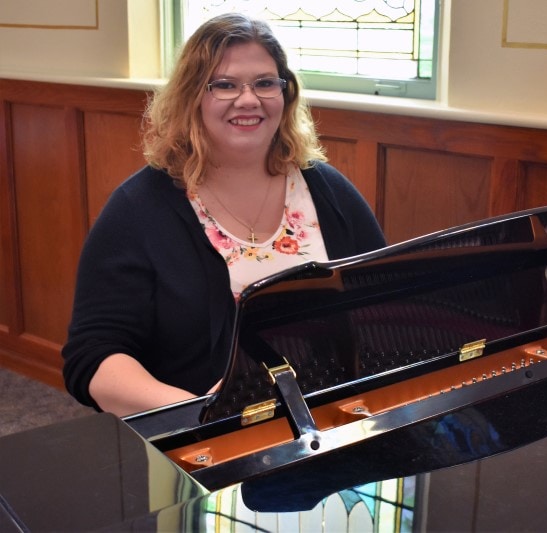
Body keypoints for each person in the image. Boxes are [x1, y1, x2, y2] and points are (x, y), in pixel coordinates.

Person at [62, 13, 386, 417]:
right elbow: (93, 355)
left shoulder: (326, 189)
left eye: (265, 83)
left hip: (333, 420)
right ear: (192, 96)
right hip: (199, 440)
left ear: (286, 95)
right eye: (225, 85)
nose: (248, 99)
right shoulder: (138, 208)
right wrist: (205, 413)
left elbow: (384, 305)